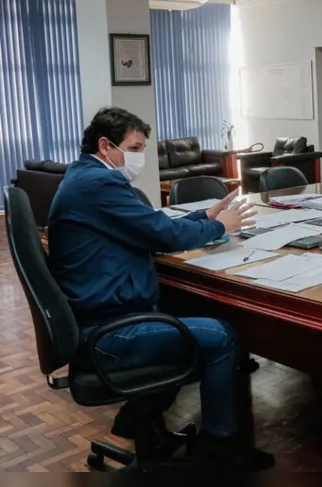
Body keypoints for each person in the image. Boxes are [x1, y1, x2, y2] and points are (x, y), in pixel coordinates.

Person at [47, 106, 271, 470]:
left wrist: (204, 217)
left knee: (186, 317)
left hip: (101, 313)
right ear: (105, 145)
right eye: (134, 148)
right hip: (108, 333)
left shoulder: (83, 178)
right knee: (223, 335)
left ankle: (141, 423)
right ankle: (219, 447)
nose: (139, 157)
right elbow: (162, 234)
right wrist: (220, 228)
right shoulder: (98, 184)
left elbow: (147, 225)